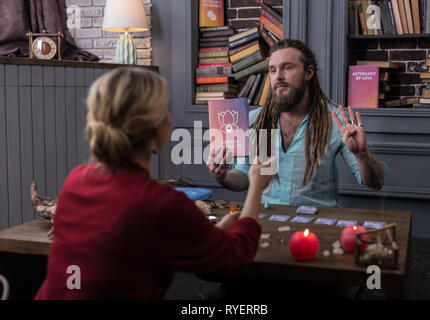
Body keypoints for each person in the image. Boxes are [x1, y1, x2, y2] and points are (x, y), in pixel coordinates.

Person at [34, 67, 276, 300]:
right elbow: (236, 257)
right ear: (161, 126)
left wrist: (213, 235)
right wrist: (256, 186)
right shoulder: (161, 204)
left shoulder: (77, 179)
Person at [207, 39, 387, 207]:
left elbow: (375, 183)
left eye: (287, 68)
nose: (278, 77)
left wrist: (362, 154)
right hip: (266, 222)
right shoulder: (255, 120)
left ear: (308, 72)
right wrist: (222, 176)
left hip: (317, 226)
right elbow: (244, 177)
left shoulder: (338, 121)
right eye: (273, 70)